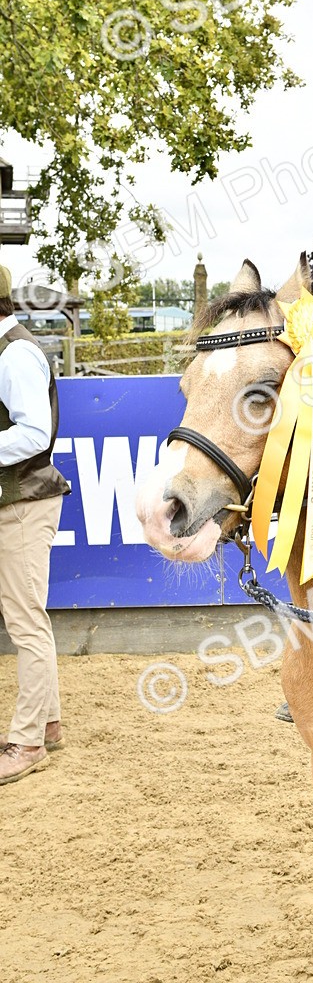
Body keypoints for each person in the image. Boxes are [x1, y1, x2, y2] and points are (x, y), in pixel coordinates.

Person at [0, 265, 70, 784]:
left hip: (24, 503)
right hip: (17, 499)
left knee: (26, 622)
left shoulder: (15, 354)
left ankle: (26, 742)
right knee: (27, 618)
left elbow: (33, 433)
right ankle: (46, 724)